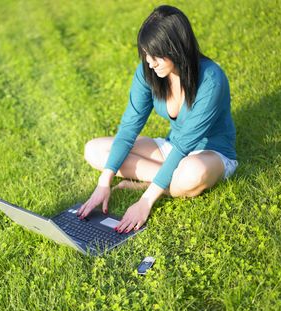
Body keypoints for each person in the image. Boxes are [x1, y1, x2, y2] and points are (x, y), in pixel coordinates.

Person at [76, 5, 238, 233]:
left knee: (192, 174)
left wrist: (146, 200)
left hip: (208, 155)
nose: (150, 62)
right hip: (171, 149)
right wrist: (103, 183)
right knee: (94, 150)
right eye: (145, 54)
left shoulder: (211, 79)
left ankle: (161, 181)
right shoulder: (149, 72)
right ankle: (167, 177)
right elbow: (129, 128)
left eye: (156, 55)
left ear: (176, 48)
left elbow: (185, 146)